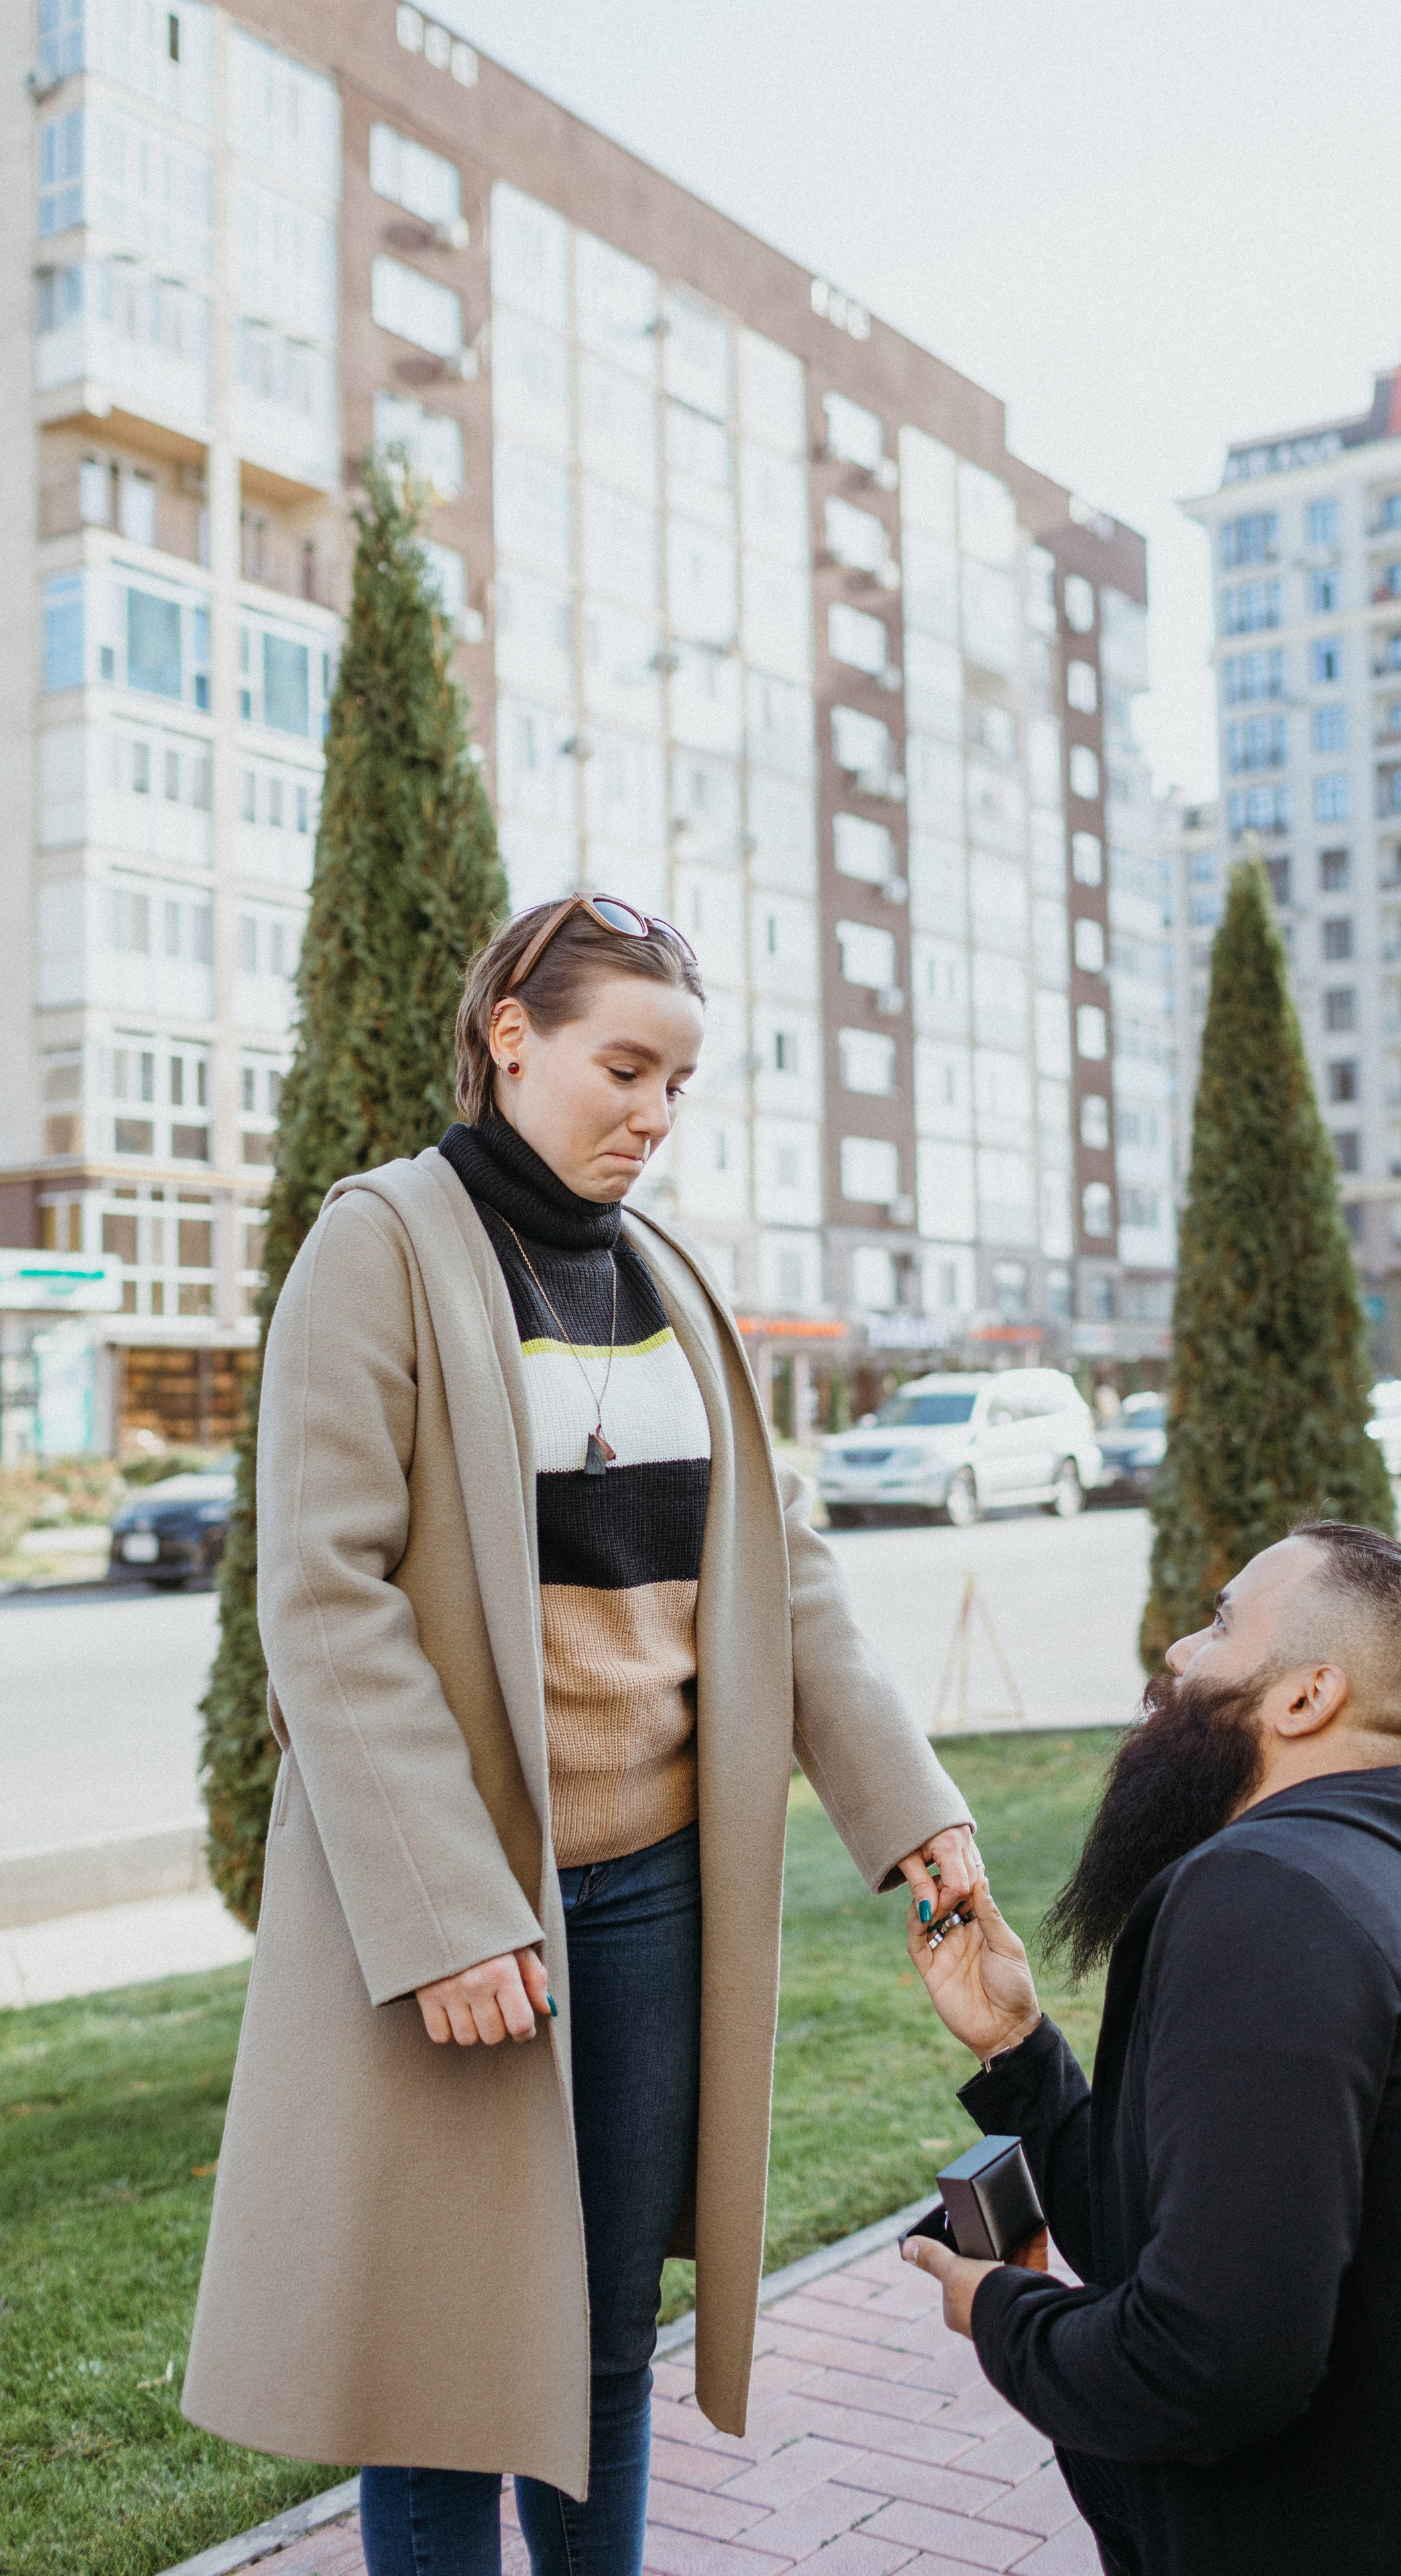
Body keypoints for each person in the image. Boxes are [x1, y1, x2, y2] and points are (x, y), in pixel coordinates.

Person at [182, 894, 979, 2576]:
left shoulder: (668, 1277)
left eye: (680, 1085)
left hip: (656, 1897)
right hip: (470, 1922)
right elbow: (324, 1602)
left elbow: (783, 1575)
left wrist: (912, 1810)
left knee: (605, 2340)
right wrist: (455, 1914)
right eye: (625, 1068)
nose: (652, 1116)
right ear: (510, 1038)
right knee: (443, 2371)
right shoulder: (381, 1241)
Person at [902, 1521, 1401, 2576]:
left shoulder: (1273, 1894)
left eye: (1224, 1624)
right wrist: (1016, 2044)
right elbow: (1202, 2252)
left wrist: (1002, 2315)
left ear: (1305, 1698)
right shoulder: (1376, 1881)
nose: (1179, 1655)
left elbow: (1206, 2369)